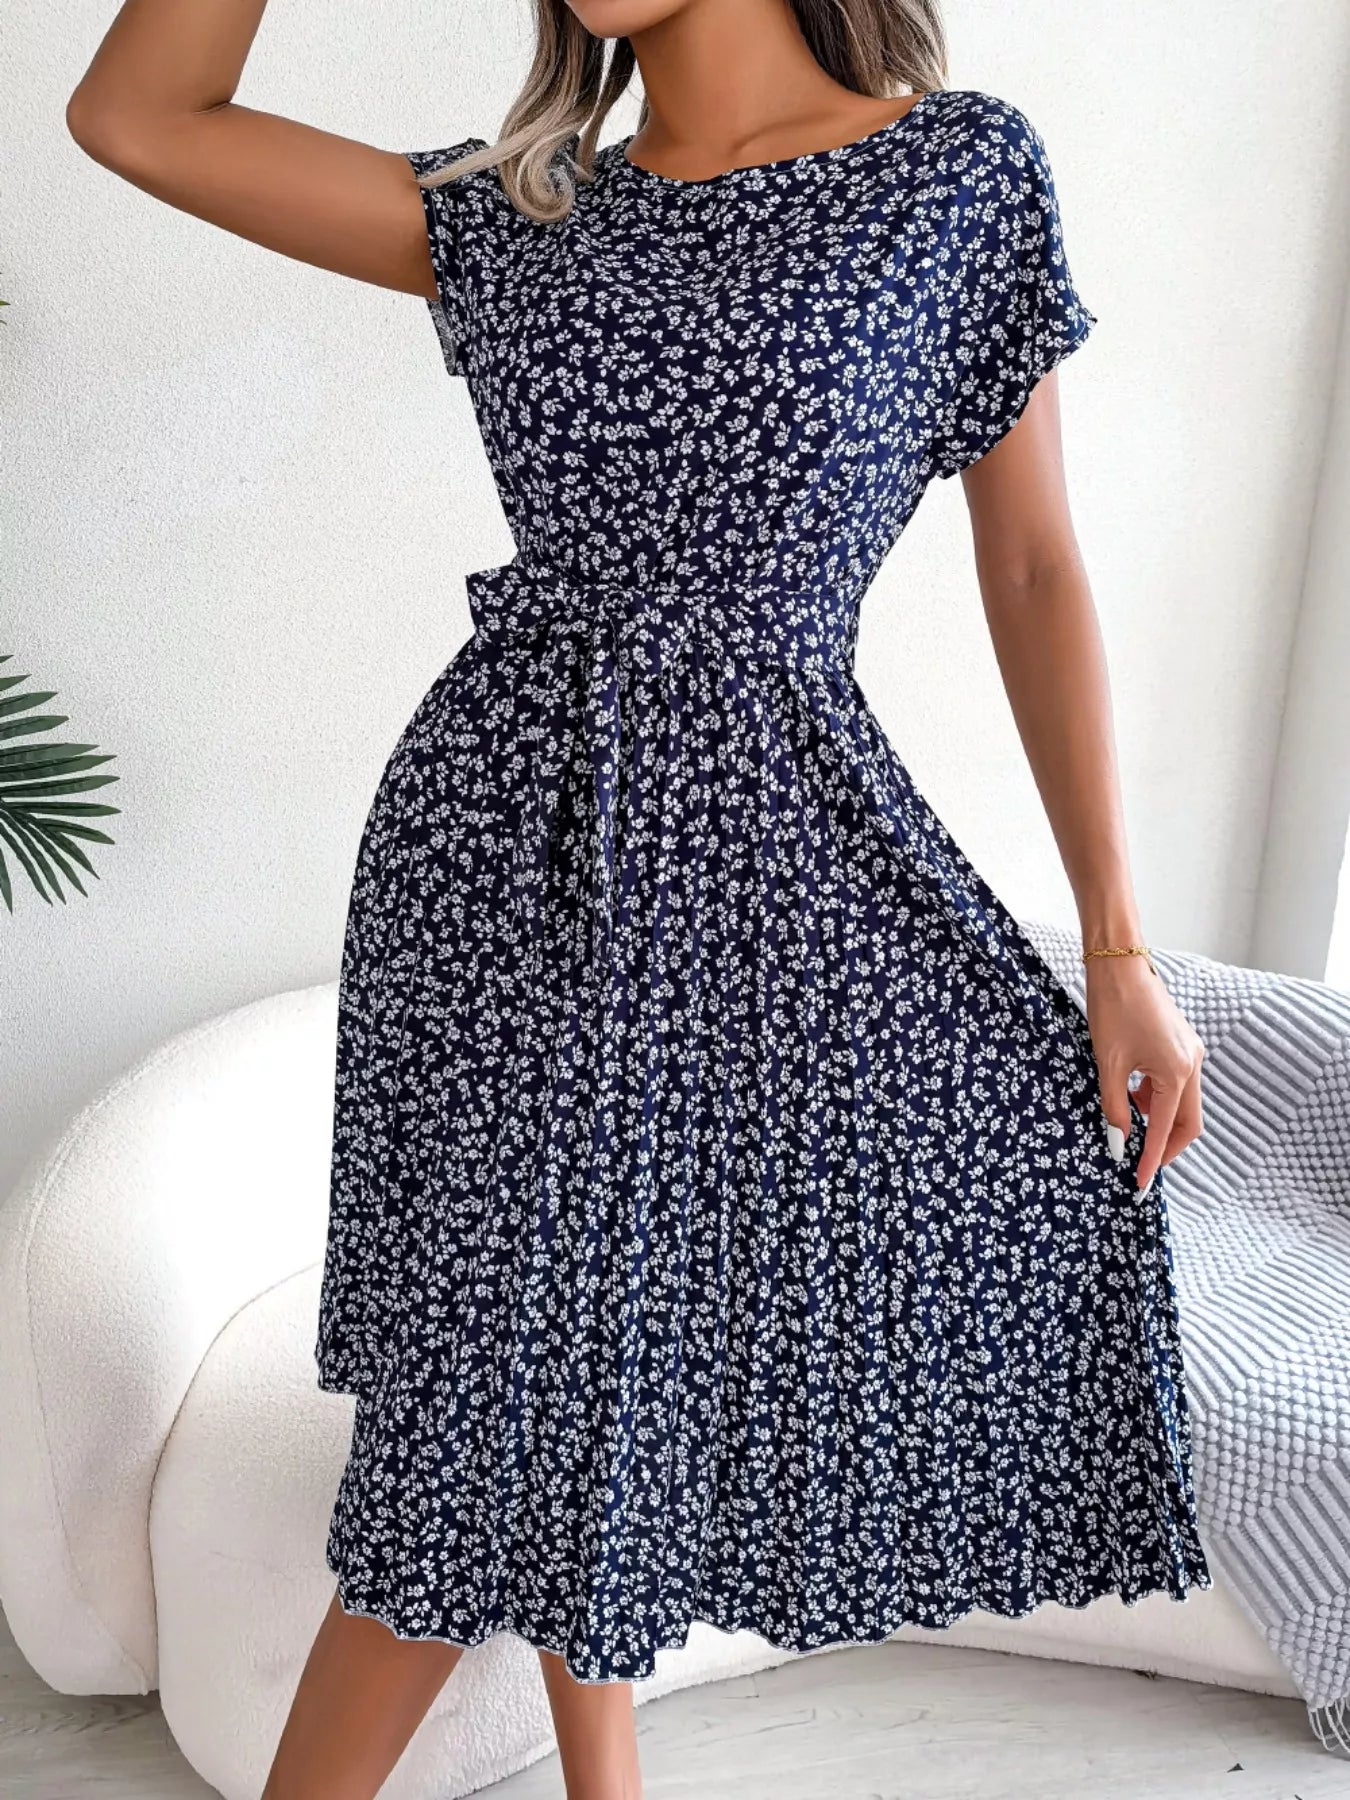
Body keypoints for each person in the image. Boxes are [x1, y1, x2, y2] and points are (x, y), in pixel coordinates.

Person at [66, 2, 1213, 1795]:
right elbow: (136, 115)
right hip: (498, 853)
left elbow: (1036, 557)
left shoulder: (952, 174)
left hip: (773, 836)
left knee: (622, 1338)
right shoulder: (523, 216)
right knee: (501, 1403)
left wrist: (1121, 945)